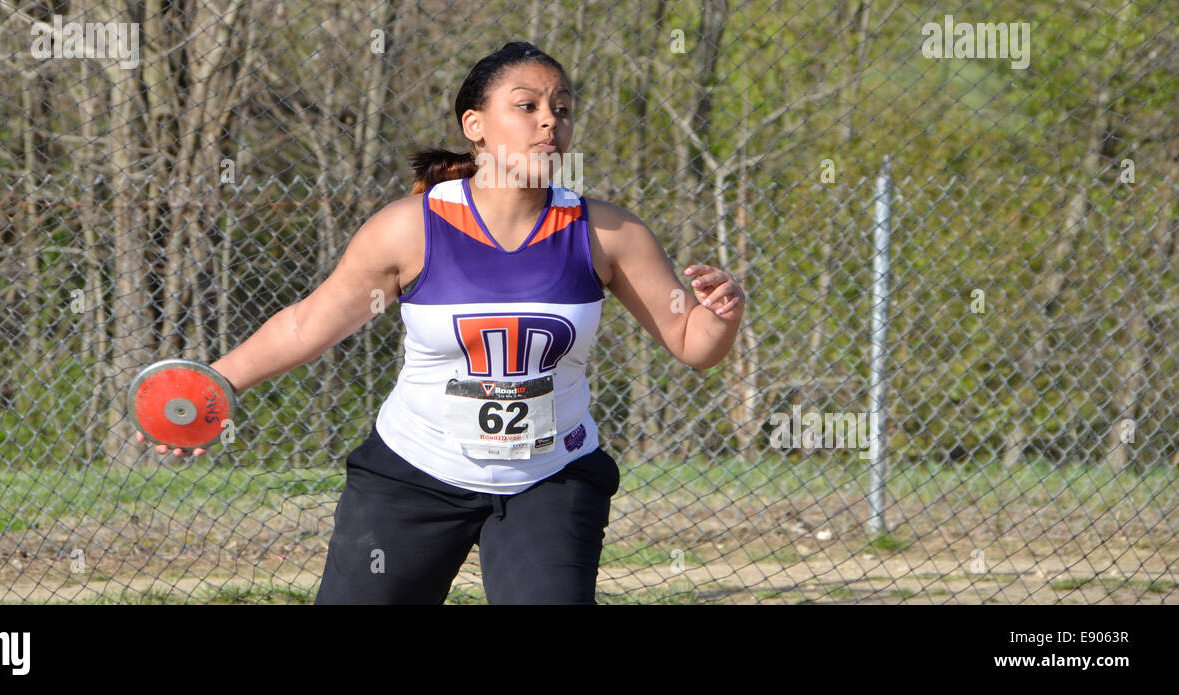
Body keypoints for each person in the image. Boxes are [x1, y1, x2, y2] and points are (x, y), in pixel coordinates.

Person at [139, 41, 745, 604]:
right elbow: (307, 325)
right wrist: (209, 385)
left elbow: (693, 344)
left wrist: (722, 315)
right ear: (474, 126)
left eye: (561, 109)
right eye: (527, 106)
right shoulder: (410, 228)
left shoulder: (607, 232)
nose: (549, 122)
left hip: (549, 477)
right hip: (415, 472)